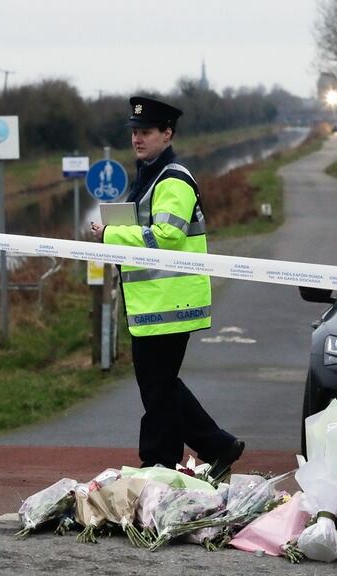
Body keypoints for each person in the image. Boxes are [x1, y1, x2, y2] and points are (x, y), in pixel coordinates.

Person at [89, 96, 244, 477]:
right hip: (152, 303)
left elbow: (168, 235)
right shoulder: (150, 174)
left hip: (170, 303)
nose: (138, 139)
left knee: (158, 387)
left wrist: (111, 234)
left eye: (146, 132)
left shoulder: (173, 179)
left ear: (167, 134)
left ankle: (165, 458)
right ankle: (194, 452)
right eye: (135, 133)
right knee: (159, 386)